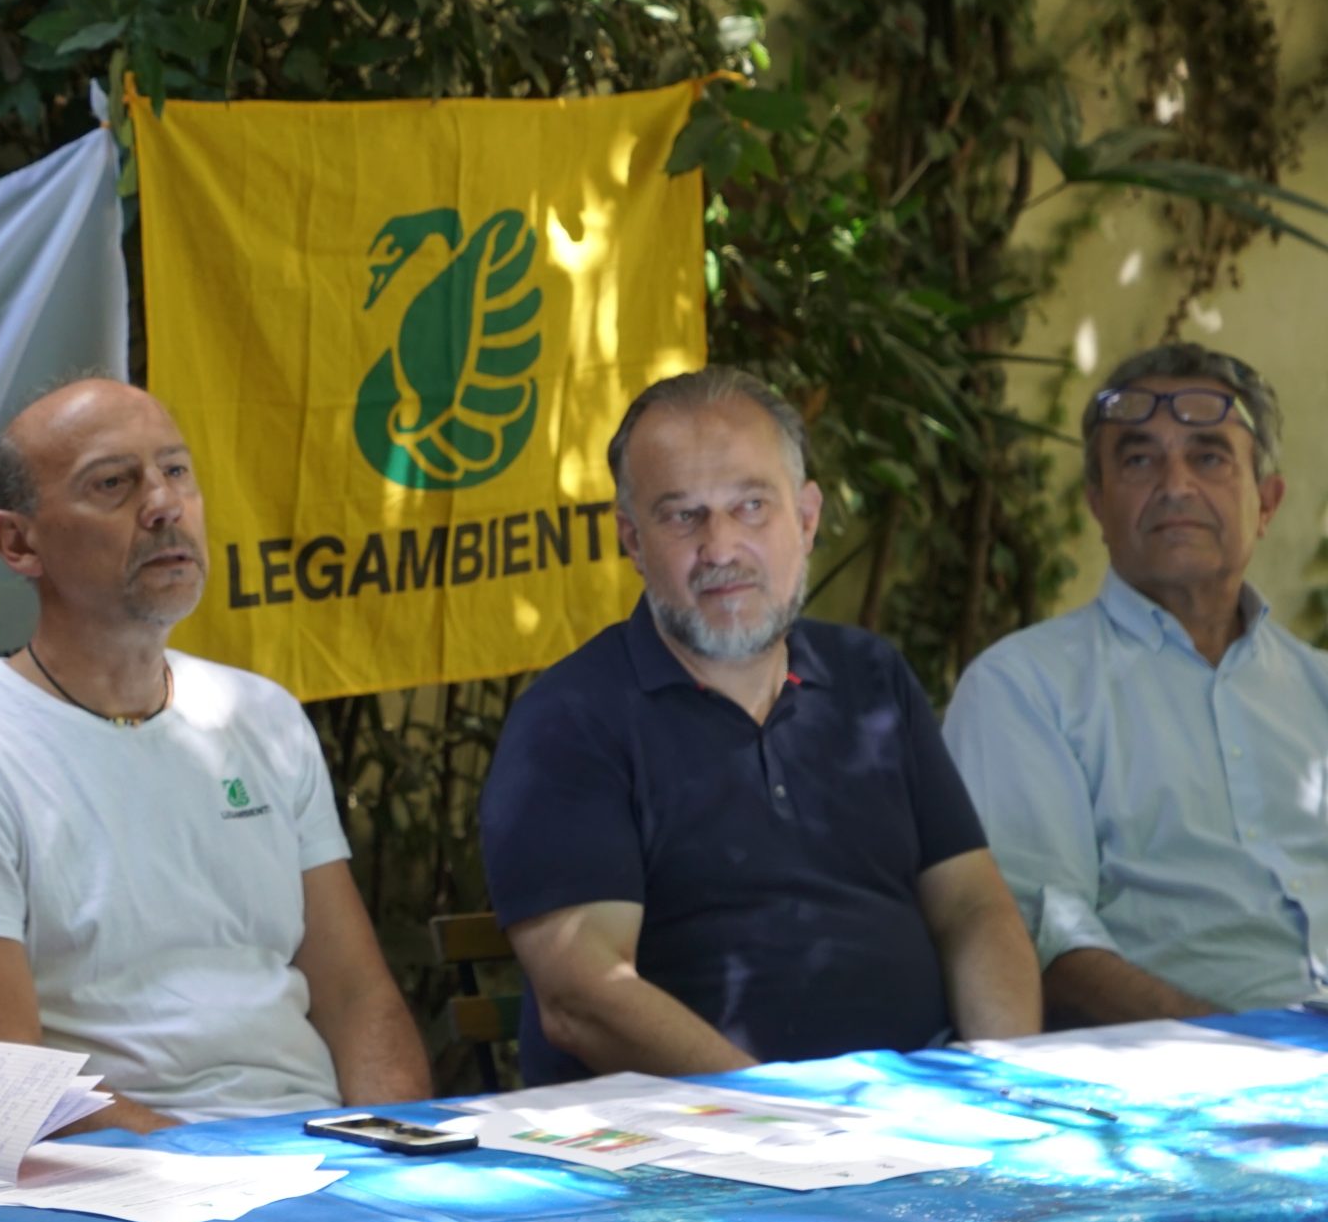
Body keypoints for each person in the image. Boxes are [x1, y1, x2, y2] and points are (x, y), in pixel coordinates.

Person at [0, 378, 430, 1127]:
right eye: (114, 483)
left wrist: (400, 1153)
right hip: (110, 1186)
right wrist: (232, 1176)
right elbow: (2, 1076)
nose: (163, 504)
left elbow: (360, 999)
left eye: (176, 471)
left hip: (314, 1156)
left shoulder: (261, 715)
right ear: (17, 542)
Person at [480, 367, 1040, 1086]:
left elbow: (972, 907)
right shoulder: (571, 720)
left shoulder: (872, 679)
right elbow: (585, 997)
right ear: (632, 538)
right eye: (682, 515)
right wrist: (788, 1118)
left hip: (926, 1116)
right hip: (699, 1146)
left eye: (751, 506)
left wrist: (1007, 1082)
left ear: (807, 520)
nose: (719, 548)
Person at [945, 343, 1328, 1024]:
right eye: (1139, 458)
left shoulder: (1318, 686)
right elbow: (1050, 946)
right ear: (1097, 500)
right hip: (1193, 1084)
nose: (1176, 484)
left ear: (1266, 502)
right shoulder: (1023, 688)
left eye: (1208, 455)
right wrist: (1234, 1050)